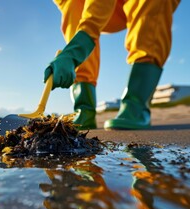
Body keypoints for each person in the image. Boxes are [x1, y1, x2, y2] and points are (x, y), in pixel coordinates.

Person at [44, 0, 181, 130]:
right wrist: (71, 53)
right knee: (73, 3)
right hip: (110, 9)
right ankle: (84, 109)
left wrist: (75, 51)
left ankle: (136, 106)